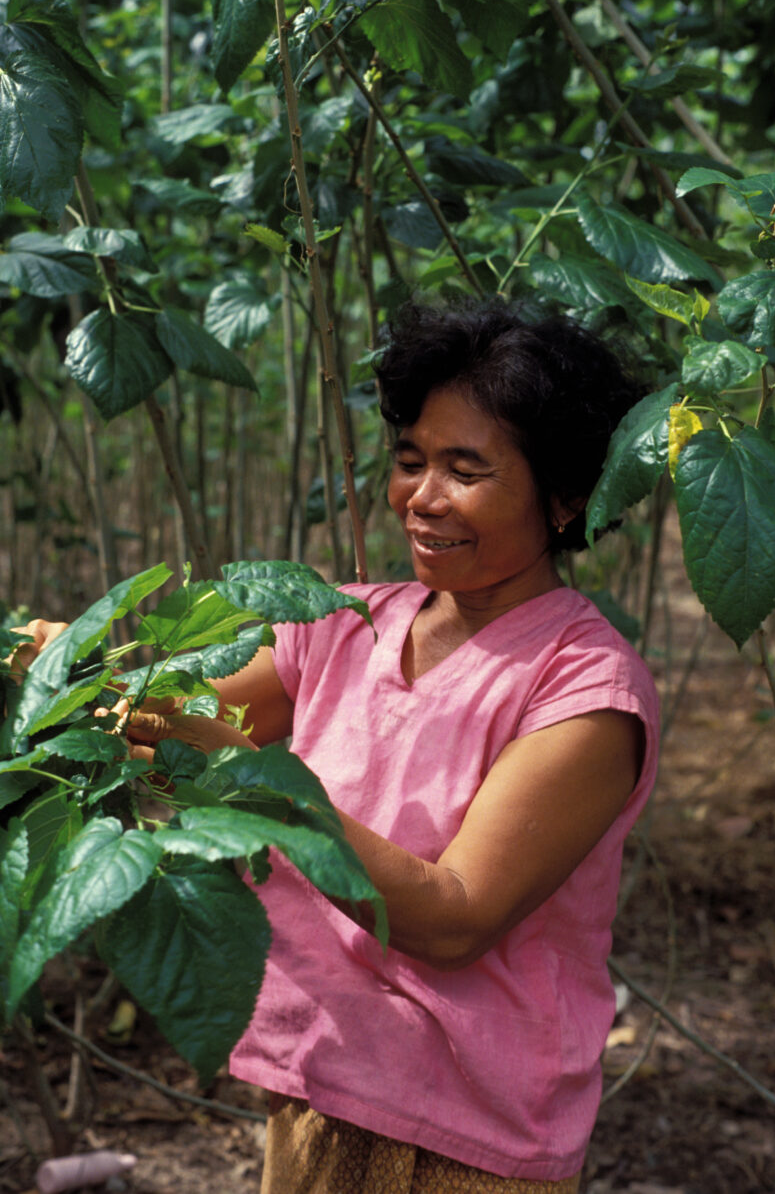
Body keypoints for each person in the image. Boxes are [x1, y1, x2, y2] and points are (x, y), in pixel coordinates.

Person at [23, 301, 660, 1194]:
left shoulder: (585, 691)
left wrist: (247, 772)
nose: (423, 498)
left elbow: (452, 916)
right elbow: (168, 720)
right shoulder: (340, 622)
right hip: (322, 1078)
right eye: (410, 462)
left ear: (564, 497)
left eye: (466, 470)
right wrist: (58, 668)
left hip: (475, 1127)